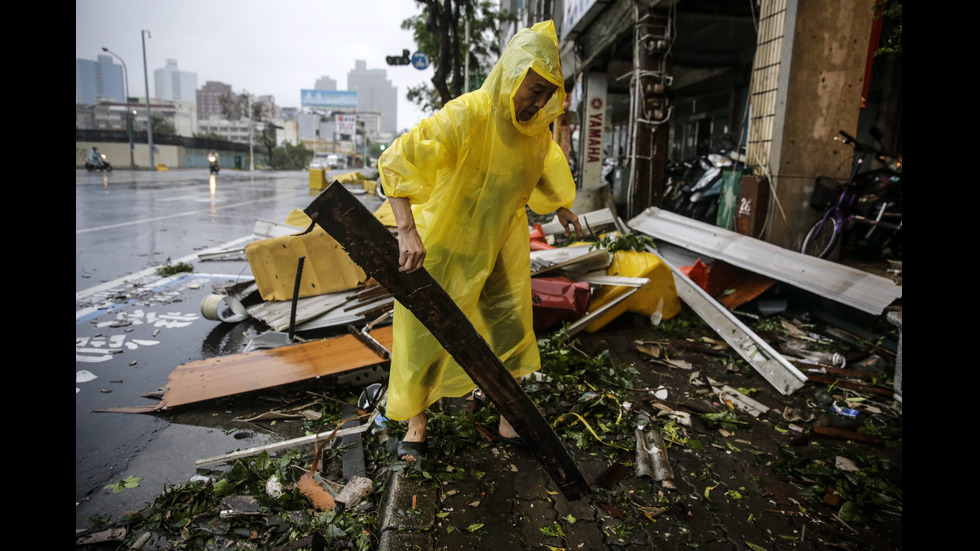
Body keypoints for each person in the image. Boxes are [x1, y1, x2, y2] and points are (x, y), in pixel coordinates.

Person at [377, 20, 583, 462]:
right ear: (512, 76)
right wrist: (407, 231)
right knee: (426, 330)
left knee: (510, 326)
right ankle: (416, 423)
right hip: (447, 240)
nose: (540, 101)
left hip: (502, 240)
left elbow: (547, 166)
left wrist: (562, 206)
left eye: (549, 93)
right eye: (534, 90)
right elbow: (397, 161)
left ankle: (509, 416)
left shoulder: (536, 133)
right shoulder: (467, 114)